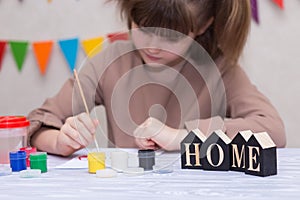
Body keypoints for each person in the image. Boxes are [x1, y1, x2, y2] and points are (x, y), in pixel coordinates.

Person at [27, 0, 286, 156]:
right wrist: (59, 142)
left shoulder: (219, 69)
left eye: (172, 37)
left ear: (204, 26)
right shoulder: (111, 62)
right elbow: (37, 123)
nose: (152, 46)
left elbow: (273, 131)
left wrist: (182, 137)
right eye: (143, 28)